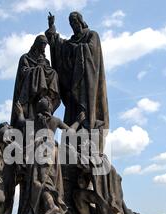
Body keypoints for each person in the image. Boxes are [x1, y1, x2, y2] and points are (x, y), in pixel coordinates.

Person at [45, 11, 109, 139]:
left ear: (80, 21)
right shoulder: (71, 41)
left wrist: (75, 49)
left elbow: (91, 51)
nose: (73, 25)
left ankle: (87, 134)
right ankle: (73, 136)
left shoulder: (92, 35)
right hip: (73, 84)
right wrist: (52, 28)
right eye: (71, 23)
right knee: (72, 110)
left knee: (87, 111)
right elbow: (58, 45)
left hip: (87, 82)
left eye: (75, 22)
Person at [10, 35, 60, 130]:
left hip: (40, 86)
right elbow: (23, 71)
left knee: (53, 73)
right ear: (37, 44)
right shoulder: (25, 57)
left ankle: (50, 96)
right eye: (42, 44)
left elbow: (48, 71)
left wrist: (43, 67)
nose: (43, 46)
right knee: (39, 70)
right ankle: (41, 93)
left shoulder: (46, 61)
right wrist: (37, 68)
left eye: (45, 45)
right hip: (29, 88)